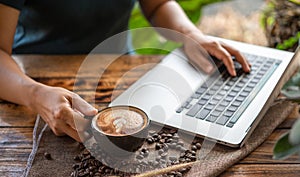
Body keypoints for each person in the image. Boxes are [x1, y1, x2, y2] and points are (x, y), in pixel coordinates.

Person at [0, 0, 250, 142]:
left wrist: (191, 35)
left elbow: (157, 5)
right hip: (33, 81)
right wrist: (34, 94)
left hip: (122, 73)